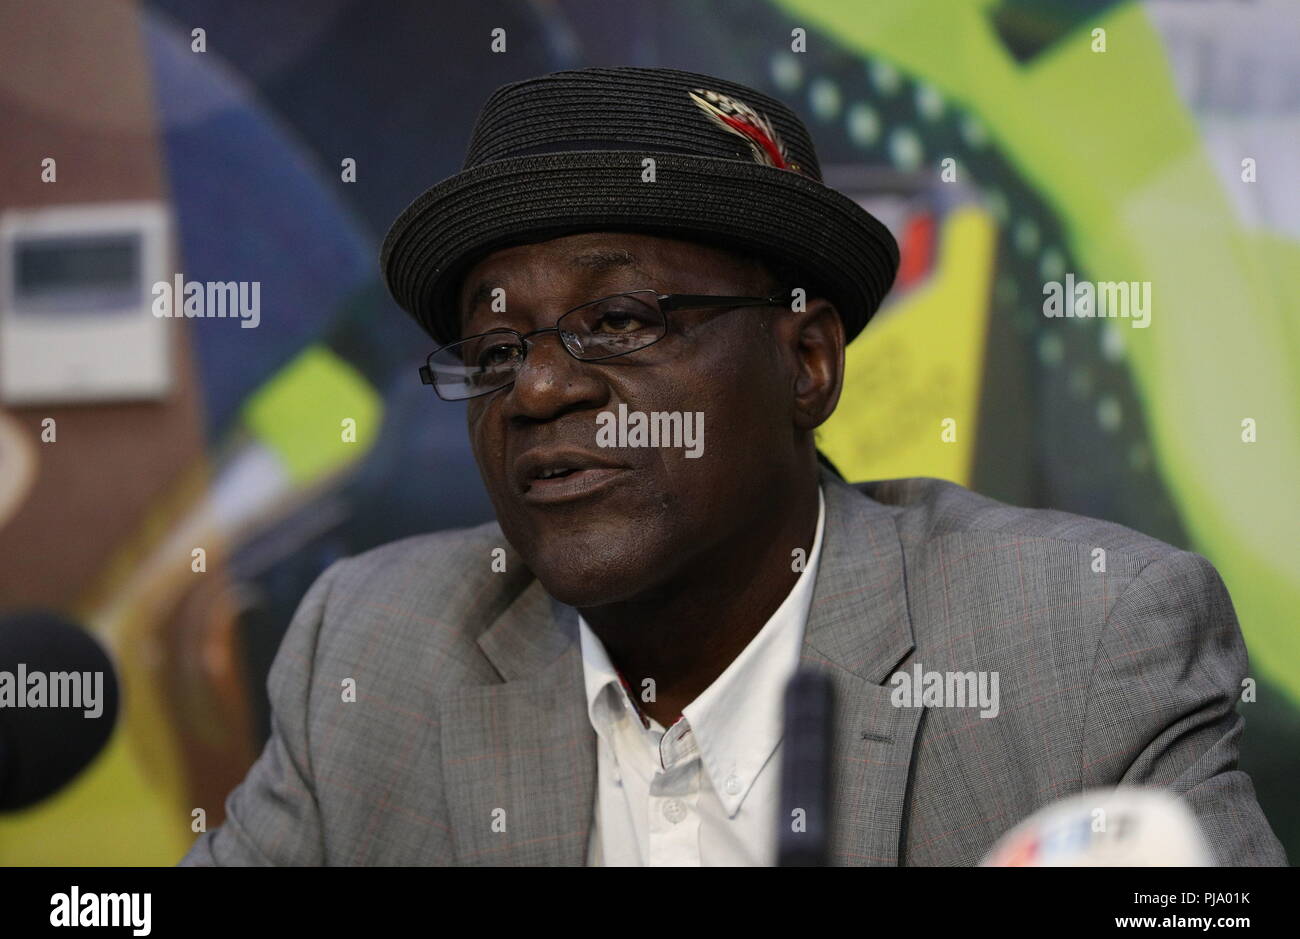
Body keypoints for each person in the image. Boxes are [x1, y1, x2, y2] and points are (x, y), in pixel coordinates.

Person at [181, 66, 1286, 866]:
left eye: (618, 318)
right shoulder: (376, 649)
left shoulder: (1075, 641)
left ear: (806, 361)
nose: (537, 390)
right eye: (496, 347)